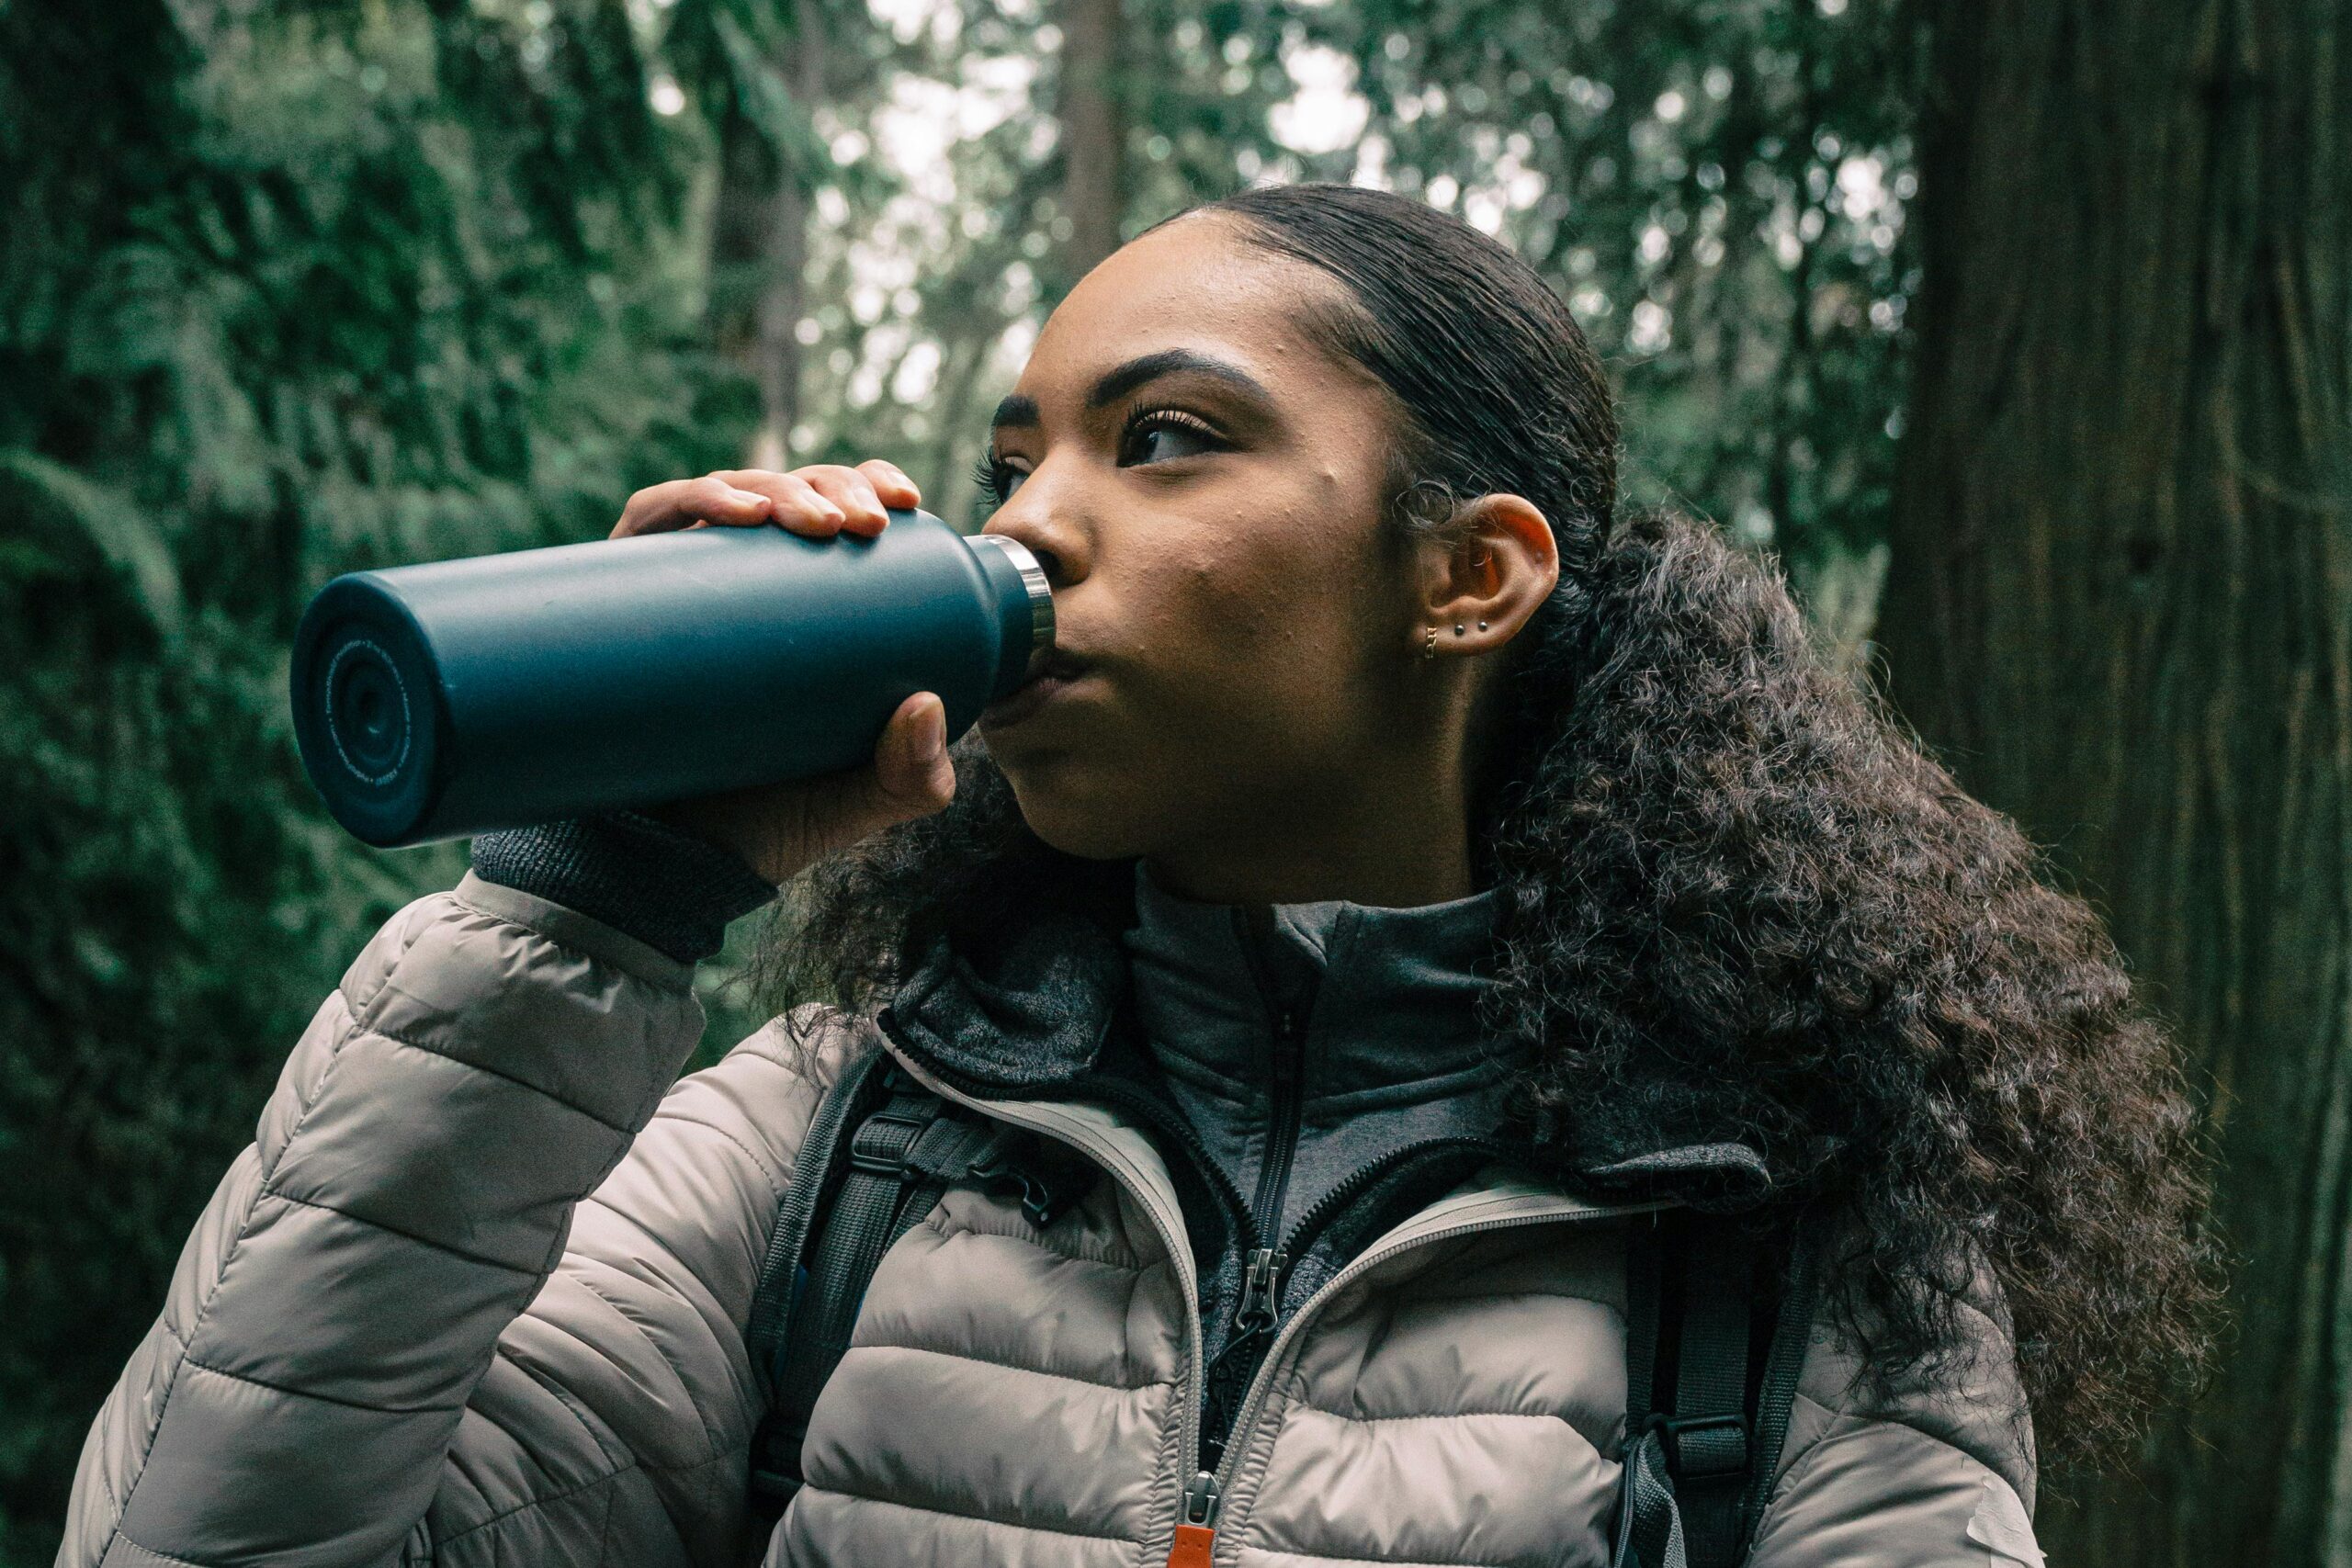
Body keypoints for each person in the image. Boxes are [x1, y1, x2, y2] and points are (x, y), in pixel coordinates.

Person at [57, 181, 2213, 1568]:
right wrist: (592, 896)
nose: (1028, 526)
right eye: (1013, 460)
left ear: (1464, 575)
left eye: (1160, 438)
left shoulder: (1778, 1226)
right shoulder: (833, 1135)